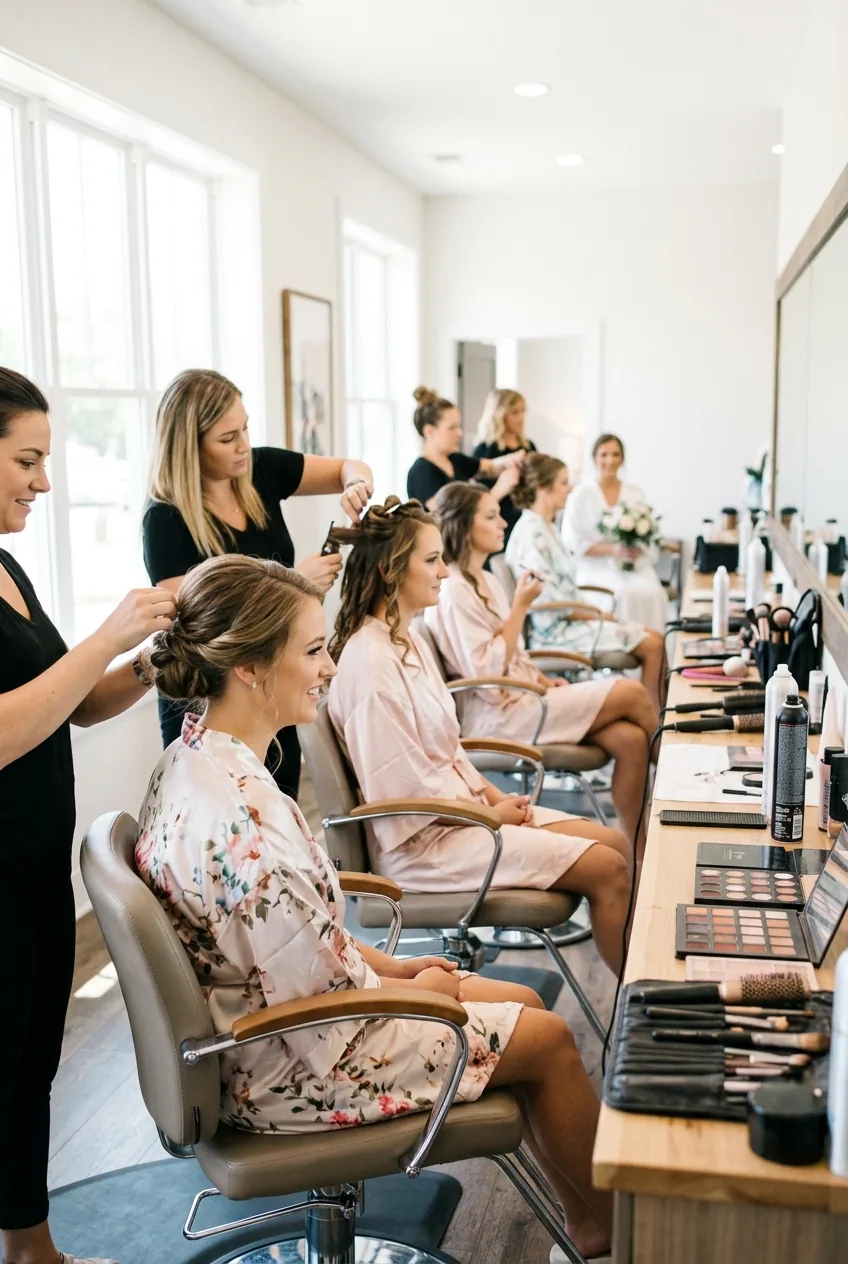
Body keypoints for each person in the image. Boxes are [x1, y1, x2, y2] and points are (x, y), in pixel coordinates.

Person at [136, 552, 613, 1261]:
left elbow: (307, 945)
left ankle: (589, 1219)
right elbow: (317, 994)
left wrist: (401, 972)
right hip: (288, 1068)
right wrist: (411, 984)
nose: (328, 668)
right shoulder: (244, 828)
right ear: (251, 668)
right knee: (543, 1040)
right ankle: (607, 1230)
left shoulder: (195, 758)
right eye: (312, 650)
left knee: (520, 1005)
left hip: (271, 1028)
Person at [0, 367, 176, 1264]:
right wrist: (109, 632)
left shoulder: (6, 566)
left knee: (31, 1061)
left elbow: (68, 701)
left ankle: (32, 1249)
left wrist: (149, 662)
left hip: (32, 859)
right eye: (27, 460)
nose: (43, 481)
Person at [328, 498, 631, 974]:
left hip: (464, 818)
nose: (445, 573)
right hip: (426, 850)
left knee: (616, 845)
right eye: (431, 561)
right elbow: (401, 801)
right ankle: (637, 1022)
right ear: (390, 570)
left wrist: (495, 801)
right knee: (609, 869)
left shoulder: (404, 641)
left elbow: (448, 753)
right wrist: (491, 814)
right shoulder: (370, 666)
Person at [142, 367, 374, 799]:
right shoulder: (165, 520)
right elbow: (189, 621)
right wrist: (292, 588)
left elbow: (348, 466)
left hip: (273, 680)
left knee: (276, 815)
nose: (243, 446)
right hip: (215, 699)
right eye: (227, 439)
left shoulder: (260, 471)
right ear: (188, 445)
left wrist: (356, 483)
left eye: (245, 428)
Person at [426, 482, 659, 849]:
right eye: (490, 516)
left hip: (525, 696)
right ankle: (676, 775)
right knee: (631, 691)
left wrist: (542, 678)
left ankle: (638, 846)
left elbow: (514, 652)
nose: (503, 523)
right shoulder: (454, 591)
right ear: (465, 527)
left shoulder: (485, 579)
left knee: (630, 740)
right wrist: (520, 606)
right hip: (497, 715)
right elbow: (486, 677)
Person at [505, 453, 666, 709]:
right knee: (654, 645)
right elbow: (547, 601)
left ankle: (655, 717)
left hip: (572, 620)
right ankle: (654, 720)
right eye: (563, 483)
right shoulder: (531, 535)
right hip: (555, 633)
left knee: (656, 637)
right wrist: (594, 614)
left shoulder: (546, 527)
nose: (570, 489)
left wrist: (594, 613)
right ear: (543, 488)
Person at [561, 432, 669, 631]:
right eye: (604, 455)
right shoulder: (581, 495)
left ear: (622, 459)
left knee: (654, 592)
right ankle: (626, 646)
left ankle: (655, 651)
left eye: (615, 454)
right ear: (594, 458)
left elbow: (650, 534)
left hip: (631, 564)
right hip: (596, 566)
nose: (609, 460)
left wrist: (636, 548)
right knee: (623, 593)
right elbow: (572, 542)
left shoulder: (634, 492)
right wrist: (611, 549)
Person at [406, 386, 523, 511]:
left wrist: (511, 459)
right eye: (452, 428)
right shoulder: (421, 473)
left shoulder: (455, 459)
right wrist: (498, 491)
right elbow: (450, 517)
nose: (459, 433)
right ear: (429, 431)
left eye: (459, 426)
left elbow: (490, 466)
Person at [472, 388, 537, 542]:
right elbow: (478, 498)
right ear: (499, 415)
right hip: (500, 522)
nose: (521, 418)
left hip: (526, 521)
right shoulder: (484, 452)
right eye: (515, 412)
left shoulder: (529, 447)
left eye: (523, 411)